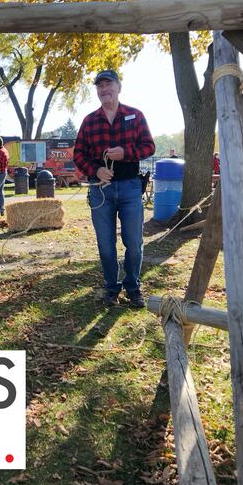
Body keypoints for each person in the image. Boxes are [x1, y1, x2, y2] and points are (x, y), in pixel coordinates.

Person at [74, 70, 155, 308]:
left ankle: (133, 286)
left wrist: (125, 153)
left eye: (108, 85)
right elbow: (78, 154)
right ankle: (112, 287)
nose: (104, 90)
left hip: (131, 187)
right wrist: (96, 170)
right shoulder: (89, 121)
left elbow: (149, 146)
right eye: (100, 87)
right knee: (106, 244)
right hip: (101, 190)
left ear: (119, 87)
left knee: (134, 242)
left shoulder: (135, 115)